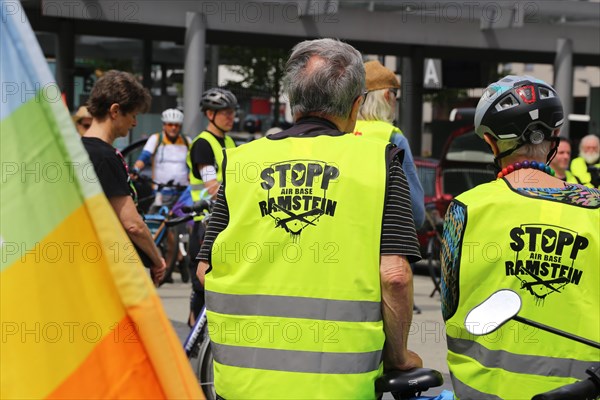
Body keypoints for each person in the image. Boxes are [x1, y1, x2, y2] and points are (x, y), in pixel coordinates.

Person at [196, 38, 422, 399]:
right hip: (340, 386)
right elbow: (394, 276)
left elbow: (205, 271)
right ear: (356, 105)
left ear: (290, 101)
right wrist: (398, 357)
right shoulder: (380, 161)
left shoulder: (241, 162)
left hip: (242, 384)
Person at [440, 75, 599, 399]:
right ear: (554, 138)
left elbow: (449, 305)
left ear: (492, 143)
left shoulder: (466, 209)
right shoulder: (595, 209)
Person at [82, 70, 166, 286]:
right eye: (133, 115)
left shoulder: (73, 149)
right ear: (115, 111)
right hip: (105, 267)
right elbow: (132, 224)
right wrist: (157, 260)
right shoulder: (105, 157)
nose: (135, 123)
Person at [186, 88, 238, 325]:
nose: (231, 117)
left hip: (226, 219)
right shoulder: (203, 144)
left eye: (232, 112)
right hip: (204, 222)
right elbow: (211, 186)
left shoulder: (229, 141)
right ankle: (193, 330)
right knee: (201, 283)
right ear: (209, 114)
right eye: (224, 113)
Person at [355, 60, 425, 228]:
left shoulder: (341, 133)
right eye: (395, 94)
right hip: (383, 243)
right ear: (387, 96)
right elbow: (416, 213)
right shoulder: (392, 138)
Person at [133, 108, 190, 207]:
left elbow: (193, 162)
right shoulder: (156, 139)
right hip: (161, 191)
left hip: (183, 191)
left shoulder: (187, 141)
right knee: (158, 219)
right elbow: (145, 157)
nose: (173, 128)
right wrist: (135, 169)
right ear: (164, 125)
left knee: (183, 220)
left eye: (176, 125)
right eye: (170, 124)